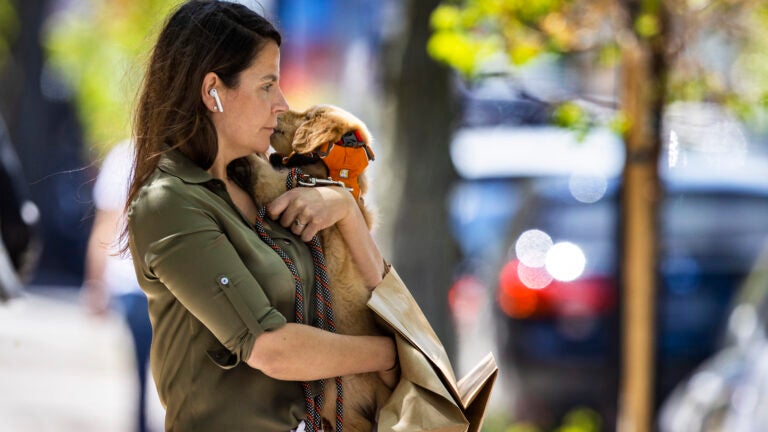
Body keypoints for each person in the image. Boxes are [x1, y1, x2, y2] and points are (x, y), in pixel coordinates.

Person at [123, 1, 398, 430]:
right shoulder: (170, 203)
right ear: (213, 90)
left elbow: (376, 293)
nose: (282, 104)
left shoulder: (266, 183)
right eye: (267, 85)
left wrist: (345, 210)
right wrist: (390, 353)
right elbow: (271, 348)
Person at [82, 139, 155, 432]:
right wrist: (95, 282)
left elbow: (104, 224)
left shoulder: (122, 155)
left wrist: (95, 282)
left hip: (130, 282)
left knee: (141, 370)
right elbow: (107, 224)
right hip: (149, 282)